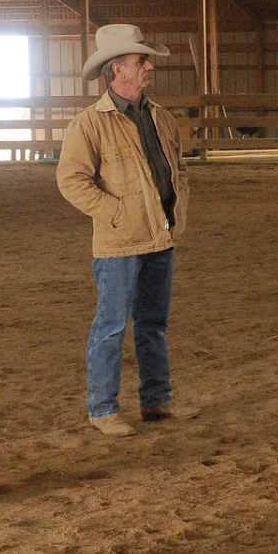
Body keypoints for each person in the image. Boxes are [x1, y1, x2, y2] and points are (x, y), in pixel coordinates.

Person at [56, 24, 199, 437]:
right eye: (142, 61)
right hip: (120, 243)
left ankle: (156, 400)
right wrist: (116, 213)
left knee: (152, 323)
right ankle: (102, 409)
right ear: (118, 70)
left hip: (160, 236)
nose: (149, 66)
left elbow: (179, 170)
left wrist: (178, 210)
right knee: (112, 325)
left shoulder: (162, 118)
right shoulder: (89, 125)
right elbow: (72, 180)